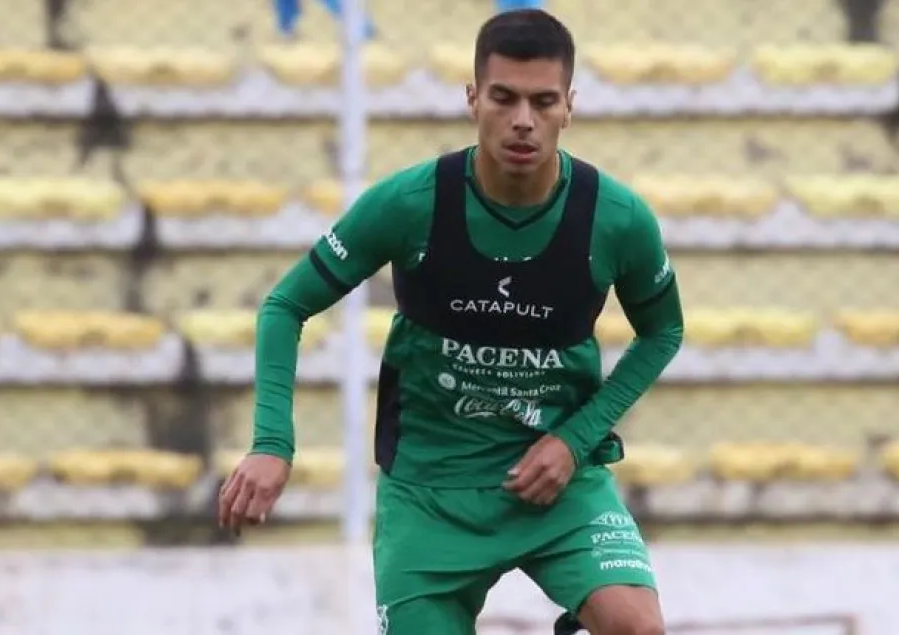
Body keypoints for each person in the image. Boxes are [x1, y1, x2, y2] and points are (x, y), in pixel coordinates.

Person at [218, 8, 684, 635]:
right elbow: (285, 306)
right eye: (504, 98)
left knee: (639, 629)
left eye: (543, 101)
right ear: (472, 98)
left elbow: (663, 331)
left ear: (569, 106)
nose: (523, 120)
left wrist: (575, 442)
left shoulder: (617, 219)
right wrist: (273, 444)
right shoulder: (410, 204)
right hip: (430, 493)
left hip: (556, 484)